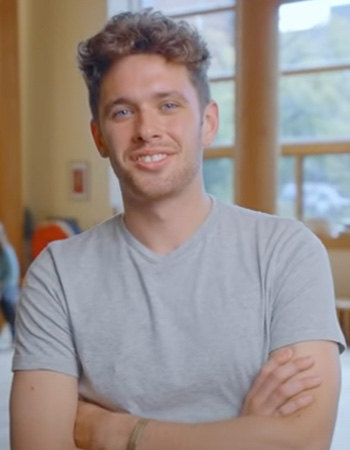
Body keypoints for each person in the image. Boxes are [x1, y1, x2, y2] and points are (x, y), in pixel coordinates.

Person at [10, 10, 345, 450]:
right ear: (98, 137)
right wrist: (242, 433)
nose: (147, 130)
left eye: (168, 105)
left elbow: (302, 440)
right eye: (123, 111)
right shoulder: (57, 274)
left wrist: (119, 432)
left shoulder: (287, 251)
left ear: (207, 123)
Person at [0, 222, 20, 343]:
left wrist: (2, 286)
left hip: (9, 289)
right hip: (2, 288)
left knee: (11, 314)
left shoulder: (8, 252)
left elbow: (12, 274)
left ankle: (16, 337)